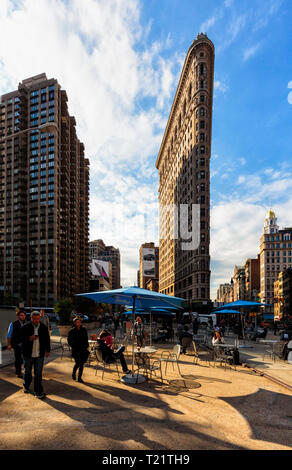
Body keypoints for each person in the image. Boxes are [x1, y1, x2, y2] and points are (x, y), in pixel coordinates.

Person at [17, 311, 50, 398]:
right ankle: (26, 386)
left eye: (38, 319)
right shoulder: (25, 327)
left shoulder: (43, 327)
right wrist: (29, 338)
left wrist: (48, 350)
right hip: (28, 354)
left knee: (38, 373)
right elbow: (19, 339)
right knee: (27, 372)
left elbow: (47, 339)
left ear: (40, 318)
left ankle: (38, 391)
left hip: (39, 354)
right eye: (34, 319)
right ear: (31, 318)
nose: (36, 320)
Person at [67, 317, 89, 384]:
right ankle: (73, 373)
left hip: (83, 349)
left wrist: (86, 345)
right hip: (76, 350)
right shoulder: (71, 331)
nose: (78, 323)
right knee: (77, 363)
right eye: (77, 322)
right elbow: (69, 341)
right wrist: (74, 345)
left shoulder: (84, 329)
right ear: (74, 323)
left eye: (79, 322)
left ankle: (79, 378)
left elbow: (86, 338)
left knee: (82, 363)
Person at [7, 309, 27, 378]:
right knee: (18, 359)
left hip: (25, 344)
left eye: (24, 315)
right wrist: (9, 344)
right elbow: (9, 335)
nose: (23, 317)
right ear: (18, 316)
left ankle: (26, 371)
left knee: (25, 358)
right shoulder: (13, 324)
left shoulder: (26, 323)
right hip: (16, 344)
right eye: (21, 315)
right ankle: (18, 372)